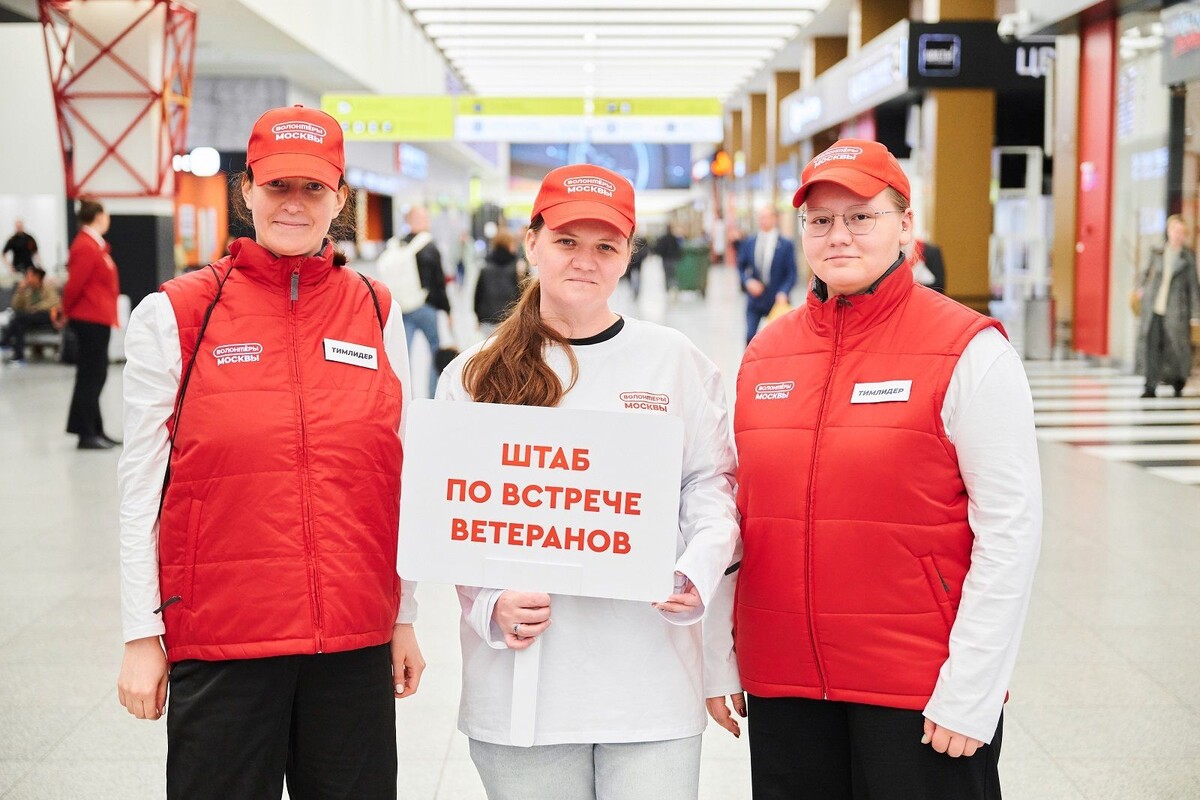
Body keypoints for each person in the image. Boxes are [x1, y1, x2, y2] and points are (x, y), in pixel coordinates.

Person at [115, 105, 425, 800]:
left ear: (340, 198)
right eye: (278, 185)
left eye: (313, 188)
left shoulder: (377, 310)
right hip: (225, 639)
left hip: (352, 640)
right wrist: (141, 633)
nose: (295, 204)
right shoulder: (176, 313)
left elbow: (398, 474)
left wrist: (404, 616)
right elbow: (140, 487)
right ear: (246, 189)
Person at [729, 139, 1042, 799]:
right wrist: (718, 657)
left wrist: (972, 689)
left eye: (860, 216)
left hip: (920, 692)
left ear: (906, 225)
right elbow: (739, 516)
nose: (837, 234)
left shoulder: (968, 349)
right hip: (786, 687)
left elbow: (1011, 529)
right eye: (820, 220)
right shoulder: (766, 354)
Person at [437, 163, 741, 800]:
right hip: (524, 683)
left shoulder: (673, 361)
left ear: (628, 255)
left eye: (607, 245)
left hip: (649, 674)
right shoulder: (473, 377)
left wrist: (695, 567)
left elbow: (710, 482)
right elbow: (453, 521)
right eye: (567, 241)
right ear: (532, 243)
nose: (586, 260)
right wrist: (491, 601)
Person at [62, 199, 121, 450]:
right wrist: (64, 312)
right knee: (91, 375)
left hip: (97, 317)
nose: (108, 219)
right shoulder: (86, 246)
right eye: (106, 214)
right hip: (89, 318)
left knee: (96, 374)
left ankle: (95, 429)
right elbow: (75, 285)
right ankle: (86, 433)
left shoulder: (95, 245)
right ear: (97, 216)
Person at [1135, 214, 1200, 398]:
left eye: (1181, 232)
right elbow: (1144, 273)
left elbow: (1193, 286)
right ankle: (1150, 385)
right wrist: (1139, 289)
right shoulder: (1157, 251)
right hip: (1154, 306)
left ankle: (1178, 381)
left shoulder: (1187, 256)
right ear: (1168, 231)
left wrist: (1196, 313)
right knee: (1152, 346)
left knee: (1177, 347)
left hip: (1177, 309)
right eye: (1174, 230)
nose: (1177, 235)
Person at [401, 205, 451, 397]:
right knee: (435, 350)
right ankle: (433, 394)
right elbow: (439, 283)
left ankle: (406, 396)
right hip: (426, 307)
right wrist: (447, 311)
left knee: (403, 355)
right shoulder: (429, 246)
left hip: (403, 307)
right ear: (417, 221)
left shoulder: (399, 244)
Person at [737, 206, 798, 344]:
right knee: (750, 336)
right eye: (761, 217)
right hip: (755, 298)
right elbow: (741, 266)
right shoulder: (749, 243)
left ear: (775, 219)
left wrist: (784, 291)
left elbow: (792, 273)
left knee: (780, 340)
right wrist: (748, 282)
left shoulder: (786, 244)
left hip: (777, 299)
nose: (763, 220)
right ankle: (750, 365)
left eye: (767, 217)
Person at [0, 266, 62, 363]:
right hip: (29, 318)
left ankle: (4, 342)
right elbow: (16, 306)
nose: (26, 278)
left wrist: (37, 307)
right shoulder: (27, 290)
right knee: (19, 324)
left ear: (36, 276)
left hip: (46, 316)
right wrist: (20, 291)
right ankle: (19, 358)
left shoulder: (47, 287)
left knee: (19, 318)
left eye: (29, 275)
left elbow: (53, 302)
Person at [473, 228, 522, 335]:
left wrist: (478, 318)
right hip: (510, 321)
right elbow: (523, 294)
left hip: (488, 320)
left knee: (490, 350)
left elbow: (478, 295)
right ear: (509, 245)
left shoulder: (485, 267)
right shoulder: (518, 267)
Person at [654, 224, 683, 291]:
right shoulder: (674, 238)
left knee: (667, 274)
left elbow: (659, 248)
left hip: (665, 259)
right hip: (673, 259)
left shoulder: (663, 238)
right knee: (673, 274)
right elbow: (678, 248)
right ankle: (673, 287)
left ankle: (668, 288)